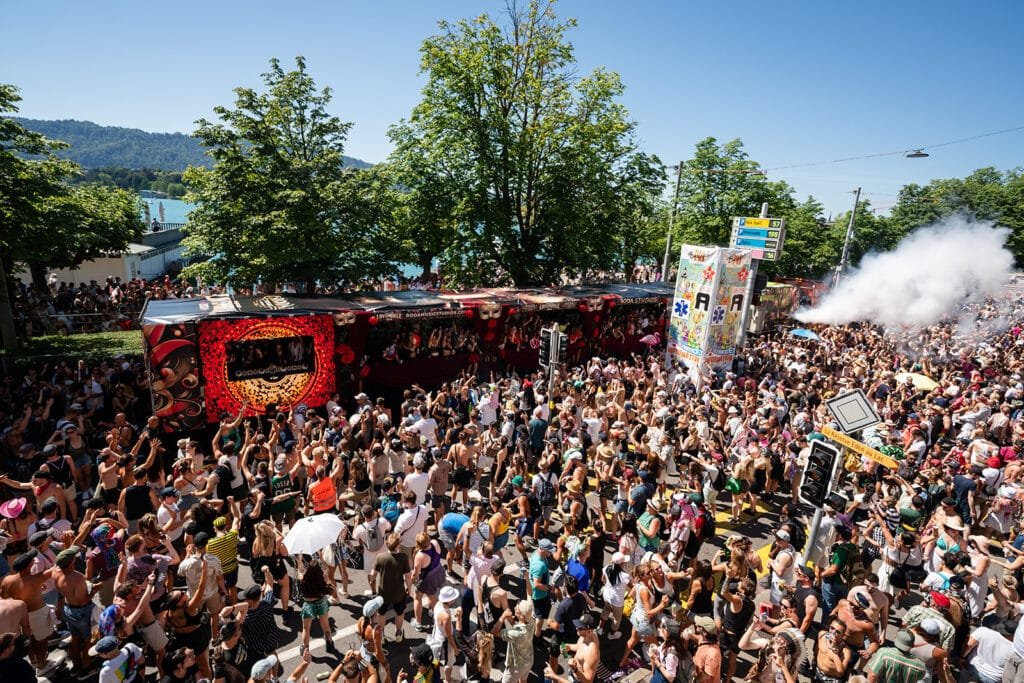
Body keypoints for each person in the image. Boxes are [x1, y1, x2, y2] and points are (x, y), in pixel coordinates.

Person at [370, 533, 412, 643]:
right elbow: (408, 576)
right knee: (399, 613)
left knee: (381, 613)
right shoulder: (403, 557)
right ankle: (398, 633)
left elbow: (372, 575)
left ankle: (382, 634)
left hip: (383, 592)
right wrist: (410, 589)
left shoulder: (381, 557)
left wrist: (373, 588)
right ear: (398, 546)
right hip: (399, 592)